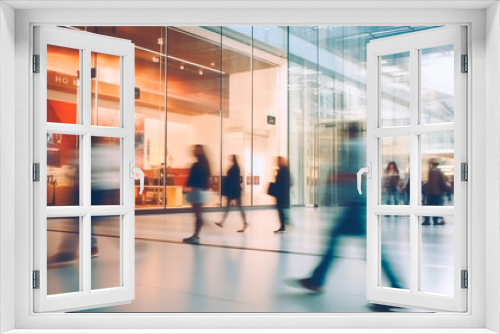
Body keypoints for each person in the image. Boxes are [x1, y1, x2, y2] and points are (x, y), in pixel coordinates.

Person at [285, 123, 402, 311]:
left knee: (370, 248)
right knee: (341, 242)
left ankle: (398, 289)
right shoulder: (366, 147)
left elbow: (357, 175)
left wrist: (334, 177)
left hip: (355, 205)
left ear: (348, 132)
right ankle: (317, 279)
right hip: (360, 203)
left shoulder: (352, 148)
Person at [183, 144, 211, 244]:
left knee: (198, 214)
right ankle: (195, 235)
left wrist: (188, 185)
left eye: (195, 150)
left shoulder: (199, 165)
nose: (193, 151)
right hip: (199, 190)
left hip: (197, 191)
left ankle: (196, 236)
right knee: (198, 214)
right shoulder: (203, 163)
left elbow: (195, 178)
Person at [215, 155, 248, 232]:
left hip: (234, 191)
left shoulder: (235, 168)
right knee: (232, 207)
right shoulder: (235, 167)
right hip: (234, 191)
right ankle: (222, 222)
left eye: (231, 158)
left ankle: (244, 223)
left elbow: (232, 180)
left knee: (236, 207)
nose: (230, 159)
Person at [422, 158, 451, 225]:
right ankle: (435, 221)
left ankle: (427, 220)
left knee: (429, 207)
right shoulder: (438, 172)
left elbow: (428, 183)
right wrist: (448, 188)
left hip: (430, 193)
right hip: (437, 193)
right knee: (436, 207)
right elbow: (442, 183)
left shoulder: (430, 171)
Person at [273, 156, 291, 233]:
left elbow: (281, 183)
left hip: (281, 194)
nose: (276, 162)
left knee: (280, 210)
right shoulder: (284, 169)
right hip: (281, 194)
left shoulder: (283, 170)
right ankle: (283, 225)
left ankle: (282, 226)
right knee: (281, 210)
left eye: (278, 161)